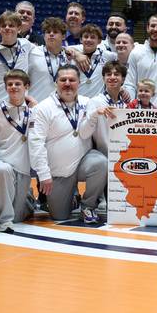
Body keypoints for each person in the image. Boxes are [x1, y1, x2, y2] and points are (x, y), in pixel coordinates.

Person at [29, 64, 107, 223]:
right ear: (56, 82)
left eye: (72, 80)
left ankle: (88, 205)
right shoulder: (43, 108)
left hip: (84, 162)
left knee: (101, 163)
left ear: (79, 82)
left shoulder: (88, 102)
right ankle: (72, 198)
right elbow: (36, 143)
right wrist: (43, 175)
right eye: (63, 79)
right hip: (59, 172)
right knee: (59, 216)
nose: (67, 83)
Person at [0, 69, 35, 233]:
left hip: (24, 166)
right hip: (3, 161)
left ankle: (28, 198)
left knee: (19, 217)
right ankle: (5, 222)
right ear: (5, 88)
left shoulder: (35, 110)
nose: (13, 87)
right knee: (2, 170)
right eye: (10, 84)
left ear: (26, 86)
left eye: (18, 84)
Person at [0, 10, 33, 108]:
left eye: (11, 25)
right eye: (4, 26)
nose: (7, 28)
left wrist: (68, 49)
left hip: (19, 105)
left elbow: (45, 49)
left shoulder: (26, 44)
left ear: (19, 29)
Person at [81, 61, 129, 156]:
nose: (112, 77)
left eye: (116, 74)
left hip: (124, 155)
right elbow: (83, 134)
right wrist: (95, 114)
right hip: (103, 157)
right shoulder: (95, 102)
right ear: (103, 79)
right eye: (108, 74)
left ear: (123, 79)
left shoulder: (125, 106)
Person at [27, 17, 71, 101]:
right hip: (36, 105)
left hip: (60, 108)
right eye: (48, 32)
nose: (51, 34)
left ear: (64, 36)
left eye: (55, 32)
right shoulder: (32, 52)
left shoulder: (69, 56)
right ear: (43, 36)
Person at [76, 24, 117, 98]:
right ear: (81, 40)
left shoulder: (106, 55)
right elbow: (63, 49)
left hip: (98, 103)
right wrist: (77, 54)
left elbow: (123, 57)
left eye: (92, 37)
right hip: (78, 102)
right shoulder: (73, 53)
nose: (88, 40)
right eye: (86, 37)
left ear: (99, 41)